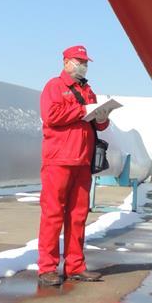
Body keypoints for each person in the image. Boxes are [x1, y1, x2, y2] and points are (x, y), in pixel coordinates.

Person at [37, 45, 111, 287]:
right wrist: (81, 110)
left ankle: (75, 265)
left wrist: (102, 118)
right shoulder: (54, 87)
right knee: (53, 213)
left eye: (86, 61)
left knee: (78, 215)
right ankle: (47, 268)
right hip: (59, 160)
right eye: (79, 61)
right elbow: (51, 115)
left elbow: (98, 126)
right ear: (66, 62)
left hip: (82, 161)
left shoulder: (88, 90)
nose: (83, 65)